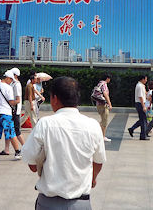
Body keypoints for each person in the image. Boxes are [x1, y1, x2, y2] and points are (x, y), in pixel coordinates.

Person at [22, 76, 106, 209]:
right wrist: (93, 178)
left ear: (55, 98)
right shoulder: (93, 125)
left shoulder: (45, 124)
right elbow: (99, 161)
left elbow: (31, 162)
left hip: (48, 203)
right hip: (81, 203)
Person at [0, 70, 22, 162]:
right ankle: (17, 152)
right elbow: (11, 101)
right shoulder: (8, 88)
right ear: (7, 78)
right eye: (11, 80)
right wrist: (18, 100)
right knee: (11, 133)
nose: (11, 82)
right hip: (6, 113)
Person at [1, 68, 24, 155]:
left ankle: (25, 148)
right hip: (11, 110)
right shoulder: (12, 84)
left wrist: (14, 109)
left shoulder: (17, 85)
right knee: (8, 129)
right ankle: (6, 149)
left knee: (17, 131)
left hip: (15, 111)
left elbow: (18, 99)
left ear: (15, 76)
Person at [128, 75, 149, 140]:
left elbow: (144, 94)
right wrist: (143, 106)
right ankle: (143, 136)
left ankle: (132, 129)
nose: (146, 80)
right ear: (142, 79)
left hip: (141, 104)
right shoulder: (139, 86)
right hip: (140, 104)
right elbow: (140, 97)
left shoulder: (142, 86)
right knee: (143, 120)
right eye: (145, 79)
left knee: (143, 120)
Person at [94, 74, 113, 142]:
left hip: (98, 104)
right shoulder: (104, 84)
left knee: (102, 120)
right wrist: (110, 104)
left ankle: (97, 133)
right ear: (107, 78)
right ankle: (103, 136)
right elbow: (105, 94)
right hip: (103, 105)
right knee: (104, 121)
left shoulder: (99, 83)